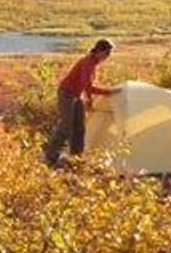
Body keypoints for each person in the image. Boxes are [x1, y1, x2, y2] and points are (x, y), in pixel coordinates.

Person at [44, 38, 121, 167]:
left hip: (76, 95)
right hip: (66, 94)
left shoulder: (94, 63)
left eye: (109, 54)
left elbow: (87, 86)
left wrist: (89, 101)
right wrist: (109, 92)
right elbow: (89, 87)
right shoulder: (88, 63)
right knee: (66, 126)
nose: (107, 57)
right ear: (99, 51)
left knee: (79, 127)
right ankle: (50, 156)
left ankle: (76, 157)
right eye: (107, 53)